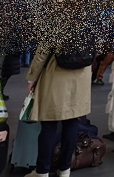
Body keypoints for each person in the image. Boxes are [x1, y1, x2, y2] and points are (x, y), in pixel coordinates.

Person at [25, 43, 92, 177]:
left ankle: (42, 171)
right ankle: (65, 169)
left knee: (49, 124)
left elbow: (42, 53)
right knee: (72, 122)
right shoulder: (87, 22)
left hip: (56, 75)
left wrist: (32, 78)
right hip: (81, 75)